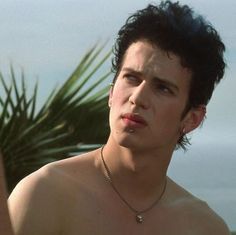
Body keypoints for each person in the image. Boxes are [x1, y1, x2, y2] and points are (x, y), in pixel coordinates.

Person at [1, 1, 231, 234]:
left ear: (192, 119)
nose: (138, 97)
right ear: (111, 92)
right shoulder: (46, 194)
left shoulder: (204, 227)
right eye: (131, 78)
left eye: (162, 88)